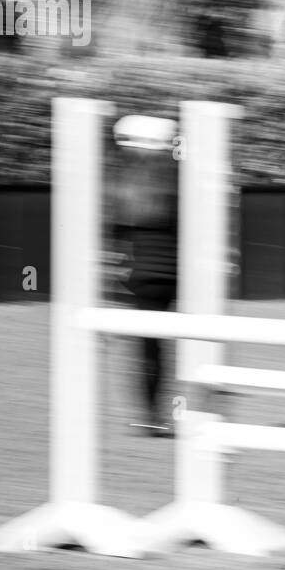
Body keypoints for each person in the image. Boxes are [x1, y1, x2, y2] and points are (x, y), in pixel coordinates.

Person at [110, 114, 180, 437]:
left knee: (147, 349)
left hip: (141, 276)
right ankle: (165, 414)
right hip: (175, 275)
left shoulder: (126, 179)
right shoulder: (176, 177)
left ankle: (151, 415)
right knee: (166, 349)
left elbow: (116, 231)